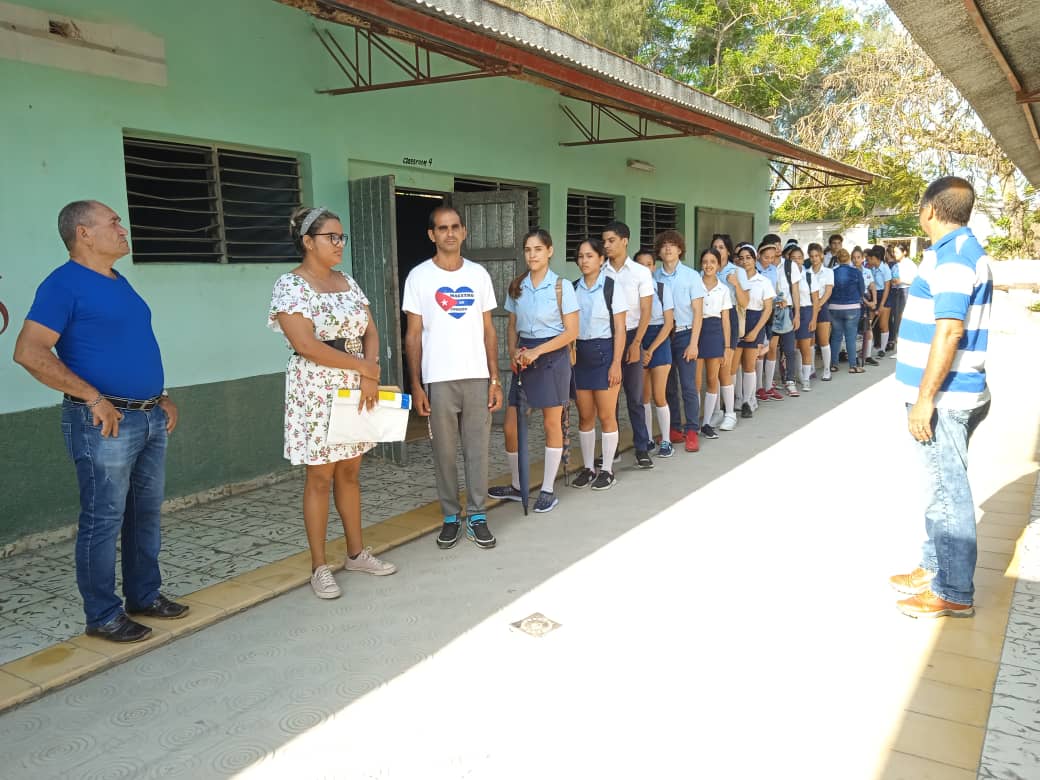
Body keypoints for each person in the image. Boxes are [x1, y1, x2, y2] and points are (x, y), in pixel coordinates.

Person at [13, 200, 188, 643]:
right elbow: (29, 352)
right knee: (103, 518)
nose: (122, 228)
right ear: (84, 233)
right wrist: (91, 397)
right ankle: (102, 614)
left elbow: (129, 345)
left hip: (147, 416)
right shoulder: (63, 285)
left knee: (143, 514)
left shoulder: (118, 282)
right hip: (104, 421)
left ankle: (144, 596)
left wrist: (162, 396)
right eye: (113, 222)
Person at [269, 206, 396, 601]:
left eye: (342, 237)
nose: (339, 244)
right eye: (331, 237)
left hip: (358, 385)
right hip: (317, 388)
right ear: (308, 242)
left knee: (351, 474)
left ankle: (357, 553)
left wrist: (368, 371)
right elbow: (305, 345)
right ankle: (320, 566)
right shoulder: (290, 286)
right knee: (320, 478)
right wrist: (364, 368)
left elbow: (371, 330)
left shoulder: (348, 281)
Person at [890, 177, 992, 618]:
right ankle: (934, 564)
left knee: (946, 493)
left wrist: (925, 399)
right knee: (938, 488)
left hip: (945, 398)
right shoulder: (956, 252)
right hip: (946, 393)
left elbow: (949, 331)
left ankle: (952, 590)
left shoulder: (954, 258)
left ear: (929, 209)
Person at [403, 205, 504, 550]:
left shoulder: (478, 275)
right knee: (444, 453)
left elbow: (489, 329)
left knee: (477, 451)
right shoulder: (419, 277)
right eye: (442, 228)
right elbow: (413, 335)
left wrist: (494, 378)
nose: (449, 233)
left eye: (455, 227)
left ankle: (477, 516)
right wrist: (416, 385)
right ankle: (450, 517)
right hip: (439, 379)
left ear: (464, 232)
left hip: (476, 376)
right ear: (432, 235)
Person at [491, 229, 579, 513]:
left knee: (551, 423)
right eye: (528, 250)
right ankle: (518, 486)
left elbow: (571, 332)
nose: (532, 255)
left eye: (538, 249)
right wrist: (514, 351)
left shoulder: (561, 287)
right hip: (524, 357)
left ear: (550, 251)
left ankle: (548, 489)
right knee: (511, 425)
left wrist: (537, 352)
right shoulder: (518, 285)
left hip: (551, 357)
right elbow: (511, 325)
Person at [570, 238, 628, 491]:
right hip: (580, 356)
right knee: (584, 416)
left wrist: (616, 363)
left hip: (605, 354)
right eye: (581, 256)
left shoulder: (612, 287)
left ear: (601, 259)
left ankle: (607, 469)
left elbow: (620, 329)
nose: (584, 261)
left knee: (606, 415)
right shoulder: (573, 288)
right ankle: (588, 468)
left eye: (590, 256)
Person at [602, 221, 655, 469]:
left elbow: (646, 311)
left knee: (634, 397)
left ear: (625, 240)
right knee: (607, 400)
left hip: (633, 334)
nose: (606, 245)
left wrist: (637, 343)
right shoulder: (601, 271)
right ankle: (610, 451)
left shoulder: (640, 273)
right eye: (604, 241)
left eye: (611, 240)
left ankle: (642, 447)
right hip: (605, 338)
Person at [654, 231, 706, 453]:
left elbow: (698, 312)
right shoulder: (654, 277)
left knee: (688, 385)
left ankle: (692, 430)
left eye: (672, 245)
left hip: (685, 333)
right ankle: (674, 428)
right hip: (664, 335)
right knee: (668, 386)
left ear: (680, 250)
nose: (668, 249)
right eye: (664, 245)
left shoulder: (691, 276)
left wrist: (694, 343)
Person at [634, 248, 675, 457]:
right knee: (644, 396)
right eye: (640, 264)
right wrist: (640, 348)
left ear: (654, 267)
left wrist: (649, 350)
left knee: (659, 395)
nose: (645, 268)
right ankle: (648, 438)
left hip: (659, 341)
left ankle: (666, 440)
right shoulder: (631, 290)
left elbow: (668, 324)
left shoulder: (661, 288)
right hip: (638, 341)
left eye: (648, 264)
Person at [734, 242, 775, 419]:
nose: (745, 261)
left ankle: (748, 400)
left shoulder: (763, 281)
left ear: (755, 258)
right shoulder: (733, 278)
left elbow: (767, 309)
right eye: (741, 258)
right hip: (737, 321)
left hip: (754, 322)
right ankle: (736, 399)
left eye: (748, 258)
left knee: (749, 365)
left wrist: (756, 330)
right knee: (734, 366)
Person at [696, 248, 732, 440]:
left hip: (715, 332)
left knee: (712, 379)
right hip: (696, 330)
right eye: (705, 261)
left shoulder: (724, 289)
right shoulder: (694, 284)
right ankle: (693, 423)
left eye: (712, 262)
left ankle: (707, 422)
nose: (708, 265)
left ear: (718, 265)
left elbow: (725, 319)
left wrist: (726, 347)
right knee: (695, 382)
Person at [714, 234, 746, 432]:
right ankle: (715, 411)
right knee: (712, 369)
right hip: (710, 320)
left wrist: (735, 283)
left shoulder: (736, 271)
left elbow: (745, 302)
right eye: (715, 246)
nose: (718, 250)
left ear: (728, 251)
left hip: (730, 317)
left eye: (721, 247)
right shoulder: (706, 269)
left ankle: (730, 413)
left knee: (726, 367)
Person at [828, 248, 866, 375]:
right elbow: (862, 289)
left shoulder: (831, 272)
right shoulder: (856, 271)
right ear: (849, 258)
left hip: (834, 307)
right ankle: (853, 365)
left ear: (837, 259)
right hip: (852, 307)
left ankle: (833, 364)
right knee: (851, 337)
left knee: (836, 336)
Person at [806, 243, 834, 381]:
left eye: (816, 256)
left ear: (821, 256)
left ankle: (827, 369)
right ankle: (811, 368)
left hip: (822, 307)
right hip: (809, 308)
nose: (814, 259)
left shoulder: (828, 272)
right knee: (810, 340)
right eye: (811, 256)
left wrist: (818, 305)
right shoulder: (806, 272)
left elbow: (828, 291)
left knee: (823, 340)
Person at [887, 243, 916, 357]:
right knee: (895, 318)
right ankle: (896, 343)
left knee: (902, 318)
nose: (895, 254)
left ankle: (903, 346)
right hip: (895, 291)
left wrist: (901, 280)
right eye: (894, 252)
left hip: (905, 290)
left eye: (897, 252)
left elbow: (914, 280)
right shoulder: (895, 265)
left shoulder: (910, 264)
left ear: (904, 252)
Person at [868, 245, 893, 358]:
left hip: (884, 295)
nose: (869, 260)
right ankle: (869, 348)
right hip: (874, 295)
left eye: (871, 258)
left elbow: (887, 287)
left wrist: (882, 304)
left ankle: (882, 349)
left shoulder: (885, 269)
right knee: (869, 323)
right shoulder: (871, 269)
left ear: (876, 258)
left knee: (883, 324)